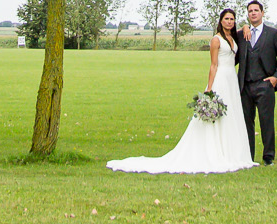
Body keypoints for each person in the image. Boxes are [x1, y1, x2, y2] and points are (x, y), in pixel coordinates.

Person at [107, 9, 255, 174]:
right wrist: (209, 89)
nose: (229, 21)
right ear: (220, 21)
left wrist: (246, 25)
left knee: (232, 115)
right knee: (218, 117)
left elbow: (244, 29)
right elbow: (213, 65)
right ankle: (216, 151)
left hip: (231, 80)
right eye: (226, 19)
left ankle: (232, 152)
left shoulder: (233, 37)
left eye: (232, 19)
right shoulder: (216, 40)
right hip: (220, 79)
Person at [238, 0, 277, 165]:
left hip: (265, 84)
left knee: (266, 121)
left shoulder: (273, 34)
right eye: (250, 11)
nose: (253, 13)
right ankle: (248, 156)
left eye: (256, 10)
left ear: (262, 13)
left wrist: (275, 77)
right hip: (245, 86)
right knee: (247, 123)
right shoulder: (242, 34)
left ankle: (268, 157)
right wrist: (244, 27)